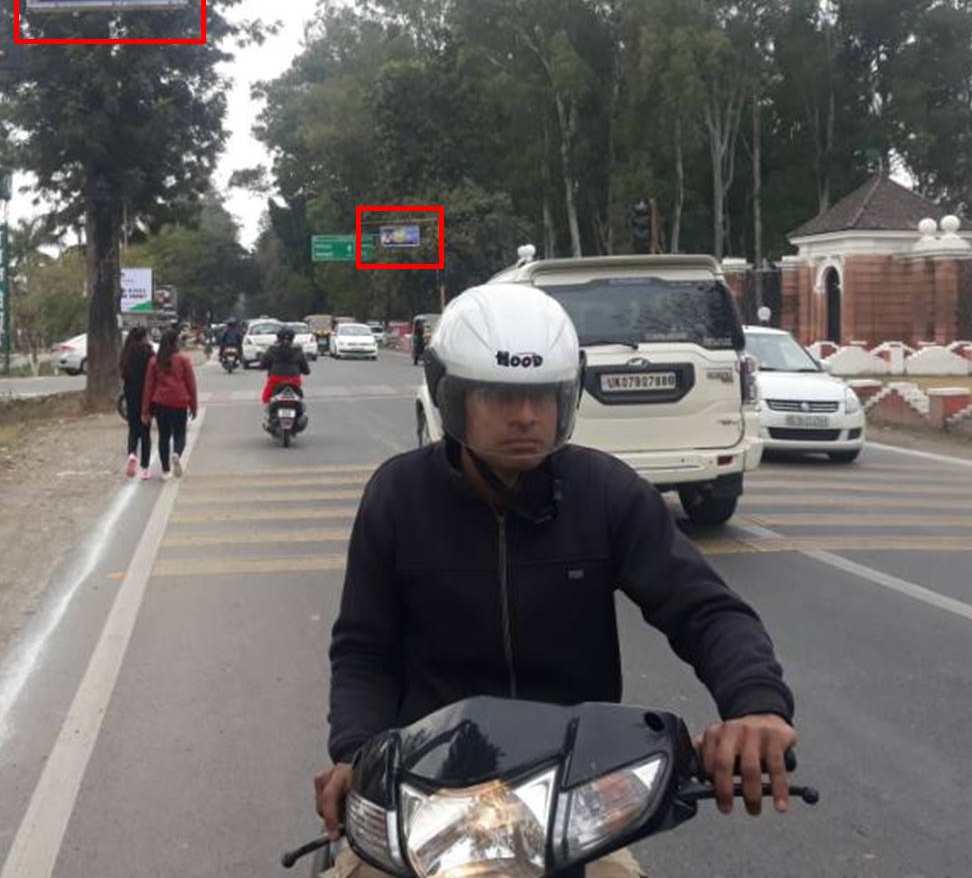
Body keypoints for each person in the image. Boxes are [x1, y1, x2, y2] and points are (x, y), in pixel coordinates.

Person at [314, 283, 797, 878]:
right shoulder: (397, 496)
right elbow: (363, 648)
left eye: (544, 395)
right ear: (450, 395)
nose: (526, 415)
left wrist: (757, 708)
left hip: (573, 797)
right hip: (425, 788)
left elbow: (705, 611)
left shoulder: (609, 493)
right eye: (499, 395)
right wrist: (355, 753)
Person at [141, 323, 198, 480]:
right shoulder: (183, 360)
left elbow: (148, 387)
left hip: (161, 404)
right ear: (175, 343)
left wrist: (145, 410)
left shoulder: (154, 362)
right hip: (180, 402)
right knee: (180, 434)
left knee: (164, 437)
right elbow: (191, 385)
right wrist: (193, 406)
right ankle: (177, 453)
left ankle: (165, 471)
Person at [119, 326, 155, 480]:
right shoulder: (148, 353)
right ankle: (145, 468)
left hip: (130, 395)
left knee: (133, 429)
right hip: (146, 395)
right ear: (143, 337)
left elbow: (123, 375)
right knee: (145, 432)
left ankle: (132, 454)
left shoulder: (126, 353)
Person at [259, 325, 309, 403]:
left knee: (266, 398)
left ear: (278, 338)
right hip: (294, 379)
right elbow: (306, 370)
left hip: (275, 378)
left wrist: (265, 366)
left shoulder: (272, 349)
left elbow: (262, 365)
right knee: (299, 398)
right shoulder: (298, 350)